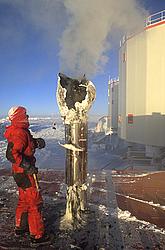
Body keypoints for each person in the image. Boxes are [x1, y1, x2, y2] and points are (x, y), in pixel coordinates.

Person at [4, 106, 50, 246]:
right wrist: (28, 166)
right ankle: (37, 236)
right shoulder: (20, 132)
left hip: (18, 173)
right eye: (25, 114)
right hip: (25, 173)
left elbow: (24, 146)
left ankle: (21, 227)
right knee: (35, 202)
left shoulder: (19, 131)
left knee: (24, 200)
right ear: (19, 117)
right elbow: (11, 154)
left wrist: (35, 142)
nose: (28, 116)